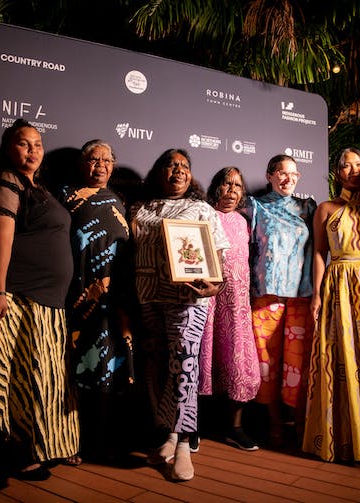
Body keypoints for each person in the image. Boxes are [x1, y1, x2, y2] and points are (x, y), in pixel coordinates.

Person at [0, 119, 80, 482]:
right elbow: (1, 241)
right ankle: (12, 453)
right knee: (16, 379)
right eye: (24, 144)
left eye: (38, 144)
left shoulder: (39, 186)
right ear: (9, 148)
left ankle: (39, 447)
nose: (32, 151)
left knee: (40, 380)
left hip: (49, 301)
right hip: (21, 297)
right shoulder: (8, 182)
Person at [130, 148, 229, 481]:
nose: (178, 171)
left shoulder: (201, 209)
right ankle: (168, 434)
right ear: (159, 172)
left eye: (184, 166)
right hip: (148, 298)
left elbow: (217, 257)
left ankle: (185, 443)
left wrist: (216, 285)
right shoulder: (139, 209)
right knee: (157, 366)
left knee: (185, 365)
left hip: (187, 299)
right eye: (171, 165)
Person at [302, 147, 360, 463]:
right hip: (338, 283)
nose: (352, 170)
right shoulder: (326, 209)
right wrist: (316, 294)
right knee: (340, 355)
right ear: (336, 172)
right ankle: (340, 435)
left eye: (358, 165)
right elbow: (318, 253)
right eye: (345, 165)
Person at [61, 139, 135, 462]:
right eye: (93, 159)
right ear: (82, 164)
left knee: (107, 369)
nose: (100, 165)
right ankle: (69, 440)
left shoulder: (120, 202)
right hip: (76, 297)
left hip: (114, 300)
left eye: (107, 159)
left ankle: (100, 440)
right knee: (76, 367)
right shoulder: (66, 198)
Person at [245, 154, 316, 447]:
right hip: (267, 294)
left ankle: (298, 421)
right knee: (267, 361)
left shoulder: (308, 207)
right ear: (270, 175)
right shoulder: (256, 206)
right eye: (282, 173)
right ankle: (274, 422)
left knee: (297, 361)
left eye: (293, 174)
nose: (288, 179)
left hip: (300, 294)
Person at [199, 167, 261, 451]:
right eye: (226, 183)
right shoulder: (202, 214)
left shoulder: (243, 222)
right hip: (208, 301)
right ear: (216, 187)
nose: (232, 190)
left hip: (236, 304)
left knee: (238, 361)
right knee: (202, 358)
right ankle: (192, 427)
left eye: (238, 185)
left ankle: (234, 428)